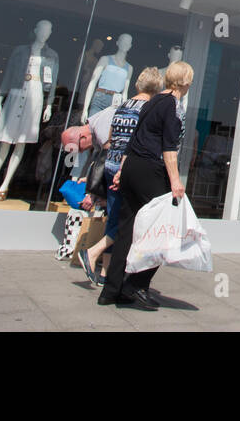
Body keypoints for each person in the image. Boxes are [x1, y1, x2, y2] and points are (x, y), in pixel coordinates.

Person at [97, 62, 193, 309]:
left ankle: (111, 289)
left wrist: (121, 169)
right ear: (185, 82)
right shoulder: (172, 105)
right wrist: (175, 182)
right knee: (164, 229)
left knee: (126, 229)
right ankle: (137, 284)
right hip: (150, 169)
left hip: (132, 167)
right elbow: (169, 148)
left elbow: (134, 138)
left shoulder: (152, 101)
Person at [79, 66, 161, 286]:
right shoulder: (147, 109)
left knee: (114, 218)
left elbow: (111, 138)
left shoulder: (122, 106)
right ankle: (93, 253)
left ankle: (105, 273)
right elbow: (139, 142)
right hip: (126, 170)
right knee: (128, 223)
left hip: (110, 166)